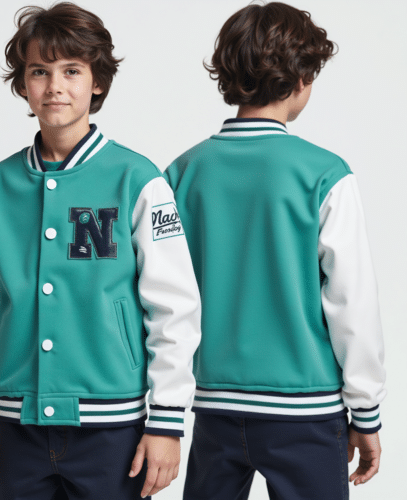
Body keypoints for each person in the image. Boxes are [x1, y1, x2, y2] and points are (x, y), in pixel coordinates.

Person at [0, 3, 201, 499]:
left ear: (97, 82)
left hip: (112, 427)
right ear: (23, 84)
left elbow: (174, 308)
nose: (54, 86)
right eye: (39, 71)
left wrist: (167, 420)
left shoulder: (138, 180)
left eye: (71, 71)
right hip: (18, 423)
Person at [163, 2, 386, 499]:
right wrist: (366, 410)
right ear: (303, 78)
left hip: (214, 404)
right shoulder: (325, 174)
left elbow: (160, 297)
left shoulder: (181, 173)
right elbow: (352, 302)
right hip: (305, 407)